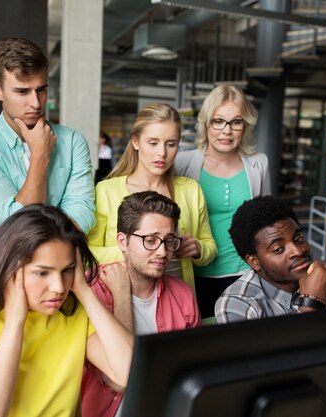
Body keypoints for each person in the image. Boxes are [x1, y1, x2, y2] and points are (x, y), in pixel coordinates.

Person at [0, 204, 133, 417]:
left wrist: (84, 291)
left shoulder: (72, 312)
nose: (59, 287)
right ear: (8, 269)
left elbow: (130, 374)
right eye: (42, 273)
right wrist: (15, 324)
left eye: (67, 270)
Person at [0, 37, 95, 248]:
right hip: (3, 277)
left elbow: (82, 217)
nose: (36, 103)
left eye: (41, 89)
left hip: (60, 277)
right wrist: (40, 154)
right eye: (22, 91)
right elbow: (16, 228)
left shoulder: (73, 142)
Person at [81, 191, 201, 417]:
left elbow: (193, 374)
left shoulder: (182, 295)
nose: (163, 252)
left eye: (169, 241)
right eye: (151, 240)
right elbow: (119, 380)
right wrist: (123, 297)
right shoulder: (90, 291)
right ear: (122, 242)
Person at [88, 102, 217, 292]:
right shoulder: (106, 191)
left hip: (178, 302)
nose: (162, 153)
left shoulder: (191, 190)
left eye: (171, 144)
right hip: (121, 299)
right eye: (153, 143)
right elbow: (88, 253)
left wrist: (198, 249)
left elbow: (210, 247)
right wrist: (132, 251)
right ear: (135, 141)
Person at [176, 84, 271, 318]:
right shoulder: (182, 163)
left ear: (245, 125)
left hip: (246, 274)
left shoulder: (259, 164)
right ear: (206, 124)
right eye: (218, 121)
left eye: (235, 122)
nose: (226, 131)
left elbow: (268, 221)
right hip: (196, 274)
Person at [215, 196, 326, 323]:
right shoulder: (238, 304)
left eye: (299, 239)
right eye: (278, 249)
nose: (298, 251)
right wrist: (311, 304)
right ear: (254, 262)